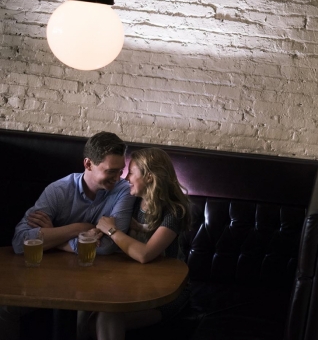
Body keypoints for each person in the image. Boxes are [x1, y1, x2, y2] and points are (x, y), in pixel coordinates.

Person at [3, 131, 136, 340]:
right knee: (4, 310)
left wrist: (53, 238)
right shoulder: (59, 190)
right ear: (88, 164)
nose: (117, 178)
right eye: (111, 171)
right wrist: (79, 228)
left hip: (96, 279)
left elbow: (107, 246)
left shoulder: (123, 191)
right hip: (46, 277)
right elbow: (20, 243)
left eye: (120, 171)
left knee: (85, 313)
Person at [78, 147, 191, 340]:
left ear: (149, 177)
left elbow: (145, 254)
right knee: (83, 310)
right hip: (131, 284)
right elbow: (106, 222)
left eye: (131, 172)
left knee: (106, 315)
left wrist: (112, 231)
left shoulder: (174, 211)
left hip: (165, 293)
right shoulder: (132, 201)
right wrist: (97, 232)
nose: (126, 177)